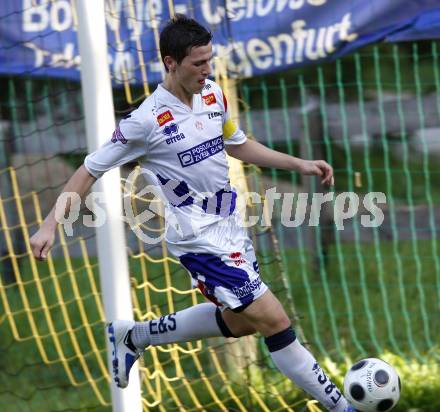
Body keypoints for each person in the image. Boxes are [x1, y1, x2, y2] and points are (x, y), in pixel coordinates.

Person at [30, 15, 354, 412]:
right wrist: (50, 225)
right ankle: (344, 407)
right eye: (198, 64)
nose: (207, 71)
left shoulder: (214, 95)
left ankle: (134, 336)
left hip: (231, 229)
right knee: (276, 322)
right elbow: (90, 169)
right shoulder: (144, 121)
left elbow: (238, 144)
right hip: (198, 240)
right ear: (170, 63)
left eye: (209, 61)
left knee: (240, 324)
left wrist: (299, 164)